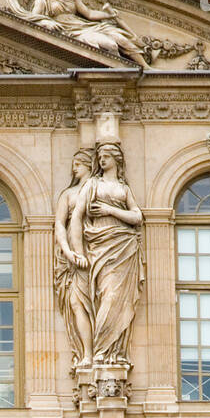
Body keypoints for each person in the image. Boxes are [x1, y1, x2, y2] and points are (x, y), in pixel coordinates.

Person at [68, 142, 144, 365]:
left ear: (116, 160)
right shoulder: (92, 184)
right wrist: (79, 252)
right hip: (99, 247)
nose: (102, 160)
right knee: (106, 296)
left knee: (116, 297)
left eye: (106, 157)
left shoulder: (124, 189)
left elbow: (137, 217)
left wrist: (110, 210)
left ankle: (109, 352)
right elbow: (76, 217)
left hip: (124, 246)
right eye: (100, 157)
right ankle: (101, 351)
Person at [54, 149, 95, 367]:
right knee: (77, 303)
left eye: (78, 164)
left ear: (89, 165)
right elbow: (60, 225)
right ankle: (87, 354)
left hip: (99, 254)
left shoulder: (99, 189)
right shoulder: (68, 194)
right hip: (75, 259)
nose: (74, 168)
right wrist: (70, 253)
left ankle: (101, 354)